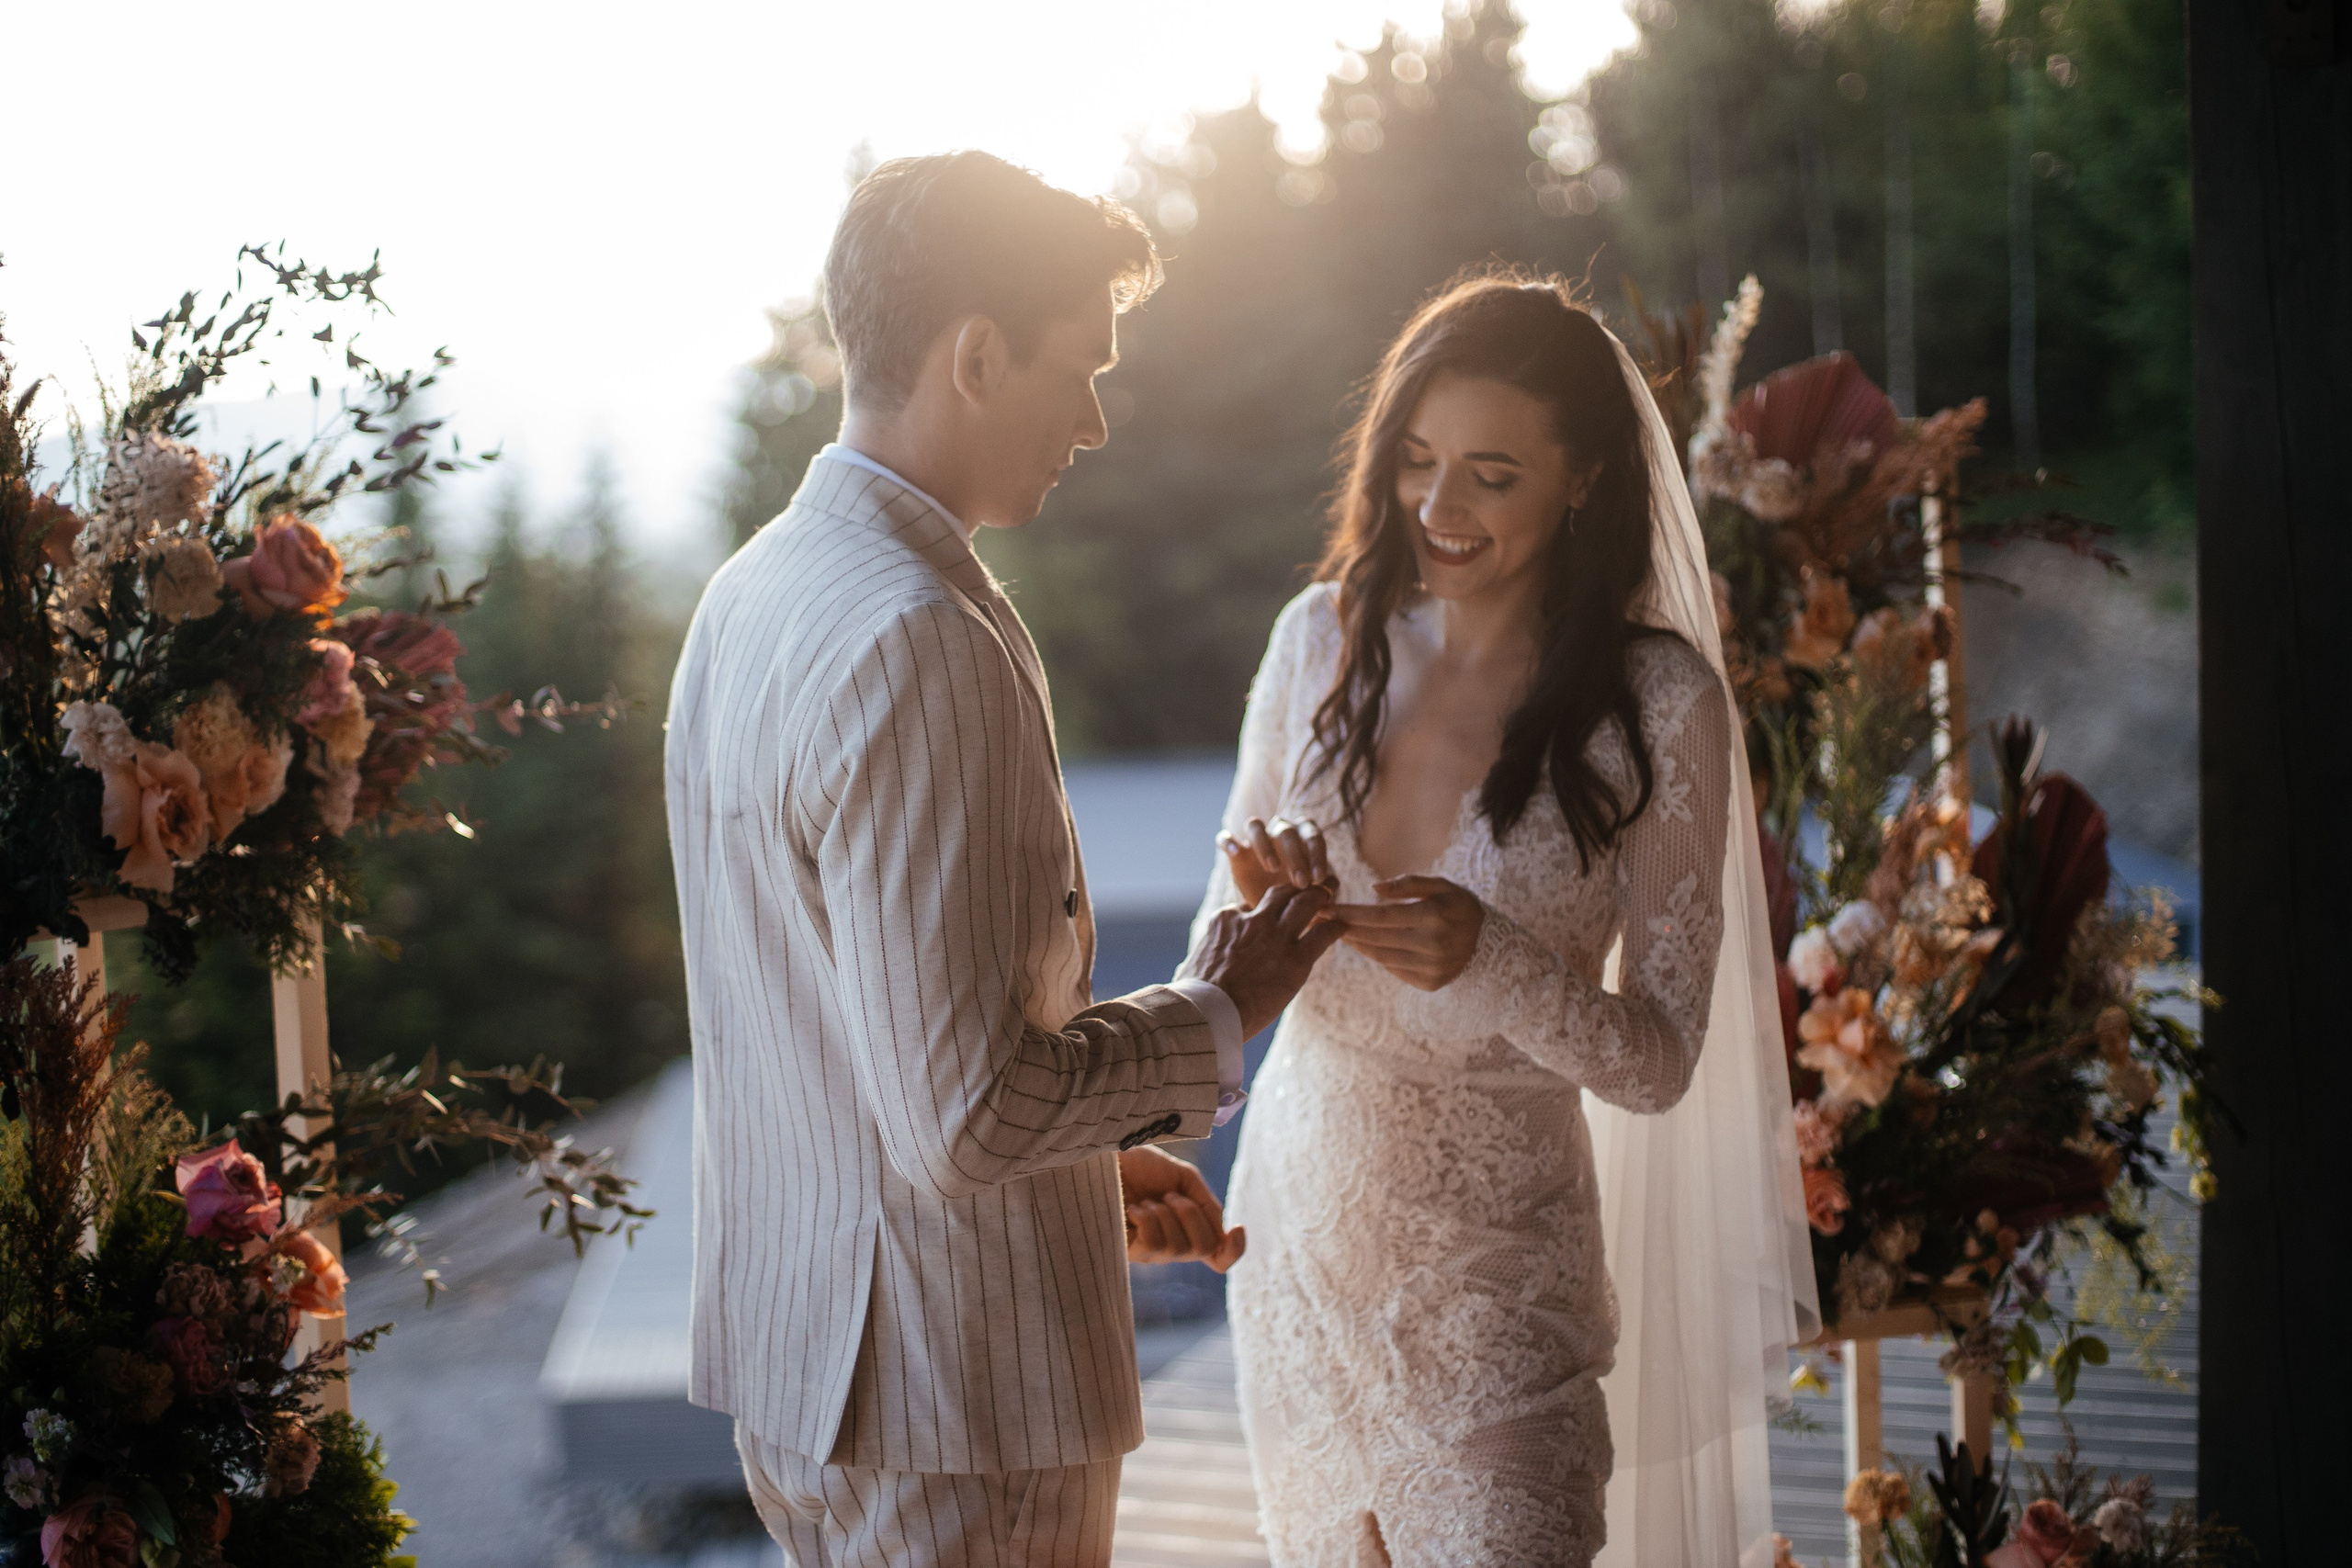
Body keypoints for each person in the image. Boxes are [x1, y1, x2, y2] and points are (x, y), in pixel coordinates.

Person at [664, 151, 1341, 1568]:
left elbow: (862, 1050)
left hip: (810, 1379)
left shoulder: (749, 595)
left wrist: (1088, 1180)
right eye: (1080, 368)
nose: (1093, 419)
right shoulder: (917, 635)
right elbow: (965, 1114)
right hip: (956, 1411)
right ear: (975, 354)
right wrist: (1218, 1009)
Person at [1203, 275, 1816, 1566]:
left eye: (1491, 474)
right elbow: (1219, 951)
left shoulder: (1660, 706)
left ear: (1584, 477)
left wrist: (1500, 966)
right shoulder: (1316, 642)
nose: (1437, 507)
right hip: (1301, 1255)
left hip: (1499, 1295)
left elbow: (1655, 1063)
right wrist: (1263, 912)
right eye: (1416, 461)